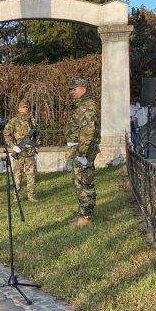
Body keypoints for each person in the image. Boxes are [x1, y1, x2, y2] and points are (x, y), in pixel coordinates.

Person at [64, 78, 100, 226]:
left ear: (83, 89)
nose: (72, 92)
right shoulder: (80, 106)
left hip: (83, 151)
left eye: (75, 89)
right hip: (77, 150)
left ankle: (86, 217)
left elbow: (88, 131)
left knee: (85, 183)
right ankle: (82, 214)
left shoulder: (86, 107)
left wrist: (82, 152)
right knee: (79, 183)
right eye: (71, 89)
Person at [3, 100, 39, 202]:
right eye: (23, 107)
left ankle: (31, 195)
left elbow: (38, 136)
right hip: (18, 153)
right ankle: (16, 196)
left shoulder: (32, 121)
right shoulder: (13, 121)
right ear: (19, 109)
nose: (25, 109)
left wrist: (36, 150)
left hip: (30, 152)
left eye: (27, 107)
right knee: (17, 176)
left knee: (31, 176)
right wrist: (13, 146)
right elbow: (6, 133)